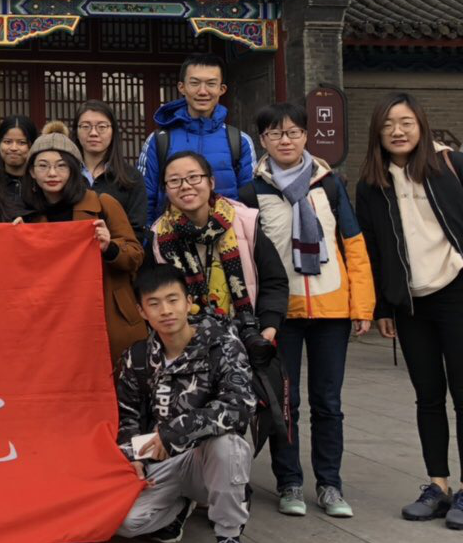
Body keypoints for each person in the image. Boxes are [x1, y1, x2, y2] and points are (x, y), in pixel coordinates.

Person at [355, 92, 463, 531]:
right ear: (377, 133)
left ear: (421, 125)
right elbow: (373, 249)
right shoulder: (372, 185)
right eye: (388, 124)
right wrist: (383, 305)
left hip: (461, 296)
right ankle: (437, 485)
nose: (397, 131)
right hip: (411, 304)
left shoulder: (456, 167)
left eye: (406, 122)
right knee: (427, 397)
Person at [248, 102, 376, 519]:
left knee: (328, 402)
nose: (285, 140)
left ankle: (330, 484)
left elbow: (354, 246)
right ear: (263, 140)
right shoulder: (253, 192)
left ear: (306, 136)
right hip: (280, 315)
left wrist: (362, 305)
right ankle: (289, 481)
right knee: (286, 402)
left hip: (331, 308)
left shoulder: (330, 185)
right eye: (275, 133)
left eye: (293, 132)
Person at [114, 266, 257, 543]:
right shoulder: (137, 357)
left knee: (228, 444)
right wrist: (131, 457)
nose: (165, 311)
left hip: (203, 458)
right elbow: (126, 415)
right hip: (158, 461)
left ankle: (229, 537)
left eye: (173, 300)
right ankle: (180, 505)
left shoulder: (221, 345)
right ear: (141, 311)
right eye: (154, 304)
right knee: (126, 523)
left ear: (188, 302)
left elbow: (240, 405)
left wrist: (174, 433)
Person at [21, 126, 144, 361]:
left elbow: (136, 256)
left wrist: (110, 247)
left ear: (74, 170)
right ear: (32, 173)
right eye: (43, 166)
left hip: (106, 312)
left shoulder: (103, 204)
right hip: (55, 317)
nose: (52, 173)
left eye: (61, 166)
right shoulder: (28, 216)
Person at [149, 151, 287, 346]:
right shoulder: (158, 236)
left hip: (246, 340)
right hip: (187, 345)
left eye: (193, 177)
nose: (185, 186)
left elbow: (273, 279)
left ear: (211, 182)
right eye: (174, 181)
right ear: (166, 189)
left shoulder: (244, 222)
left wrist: (269, 326)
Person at [138, 54, 255, 224]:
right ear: (182, 87)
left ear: (222, 89)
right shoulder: (159, 140)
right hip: (169, 235)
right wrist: (148, 236)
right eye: (194, 83)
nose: (202, 91)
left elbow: (250, 201)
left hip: (228, 235)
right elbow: (144, 199)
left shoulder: (239, 141)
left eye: (211, 84)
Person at [75, 100, 148, 240]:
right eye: (85, 126)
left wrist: (111, 245)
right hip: (74, 252)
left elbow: (137, 231)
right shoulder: (65, 175)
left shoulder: (131, 177)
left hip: (116, 252)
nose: (93, 133)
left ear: (113, 131)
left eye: (102, 127)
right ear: (76, 131)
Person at [0, 115, 39, 200]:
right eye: (7, 142)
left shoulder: (40, 180)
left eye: (22, 143)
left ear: (33, 145)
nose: (13, 148)